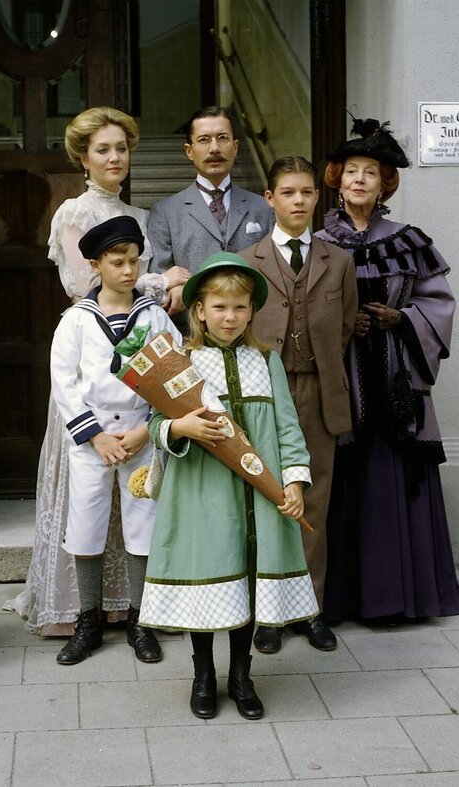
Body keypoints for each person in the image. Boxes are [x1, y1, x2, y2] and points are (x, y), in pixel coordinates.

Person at [8, 107, 189, 635]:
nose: (115, 158)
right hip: (92, 373)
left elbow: (144, 303)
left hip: (139, 383)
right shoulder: (74, 213)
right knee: (86, 505)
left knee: (139, 507)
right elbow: (81, 288)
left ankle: (134, 609)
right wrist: (161, 281)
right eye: (103, 150)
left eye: (121, 149)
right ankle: (82, 609)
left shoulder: (139, 216)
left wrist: (158, 291)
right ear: (83, 159)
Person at [139, 252, 319, 721]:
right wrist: (182, 428)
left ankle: (241, 675)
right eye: (219, 307)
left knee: (248, 581)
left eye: (240, 307)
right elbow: (156, 424)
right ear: (199, 310)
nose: (230, 317)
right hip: (202, 494)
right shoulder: (182, 362)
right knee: (208, 580)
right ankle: (203, 676)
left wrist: (294, 481)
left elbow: (287, 427)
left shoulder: (266, 360)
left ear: (251, 311)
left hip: (258, 499)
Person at [314, 118, 459, 623]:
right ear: (337, 180)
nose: (360, 180)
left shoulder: (409, 240)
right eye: (352, 171)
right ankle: (342, 598)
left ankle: (400, 597)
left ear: (385, 184)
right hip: (343, 381)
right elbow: (303, 313)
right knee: (343, 480)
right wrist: (343, 325)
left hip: (398, 378)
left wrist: (402, 319)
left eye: (371, 173)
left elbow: (439, 304)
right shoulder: (317, 243)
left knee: (394, 476)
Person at [50, 215, 182, 664]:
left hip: (141, 433)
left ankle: (140, 621)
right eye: (117, 262)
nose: (128, 270)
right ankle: (88, 621)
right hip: (93, 439)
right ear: (95, 265)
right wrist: (95, 436)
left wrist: (149, 428)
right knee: (85, 526)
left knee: (143, 524)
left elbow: (175, 374)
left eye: (134, 261)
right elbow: (64, 382)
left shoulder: (154, 316)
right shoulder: (77, 321)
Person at [240, 156, 357, 654]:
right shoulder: (247, 260)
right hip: (264, 395)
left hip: (318, 392)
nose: (298, 201)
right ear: (270, 199)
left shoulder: (339, 261)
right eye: (288, 192)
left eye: (307, 192)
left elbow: (345, 326)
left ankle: (310, 609)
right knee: (268, 499)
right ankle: (268, 614)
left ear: (317, 197)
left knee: (313, 500)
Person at [147, 106, 273, 328]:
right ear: (189, 150)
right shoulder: (164, 212)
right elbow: (159, 279)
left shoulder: (263, 208)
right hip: (189, 334)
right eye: (204, 139)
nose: (214, 148)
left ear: (236, 147)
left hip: (252, 332)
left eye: (222, 138)